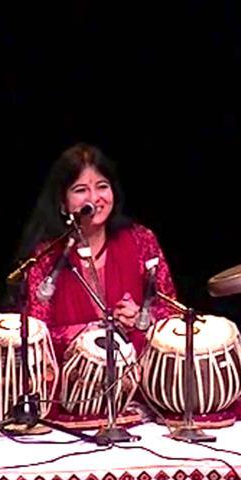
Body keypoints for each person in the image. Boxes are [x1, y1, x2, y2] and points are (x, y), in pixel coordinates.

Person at [15, 143, 178, 425]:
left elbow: (172, 313)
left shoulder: (141, 240)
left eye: (102, 186)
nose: (95, 198)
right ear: (62, 203)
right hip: (72, 396)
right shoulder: (47, 257)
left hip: (142, 393)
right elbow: (35, 334)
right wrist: (87, 332)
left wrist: (143, 317)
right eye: (81, 190)